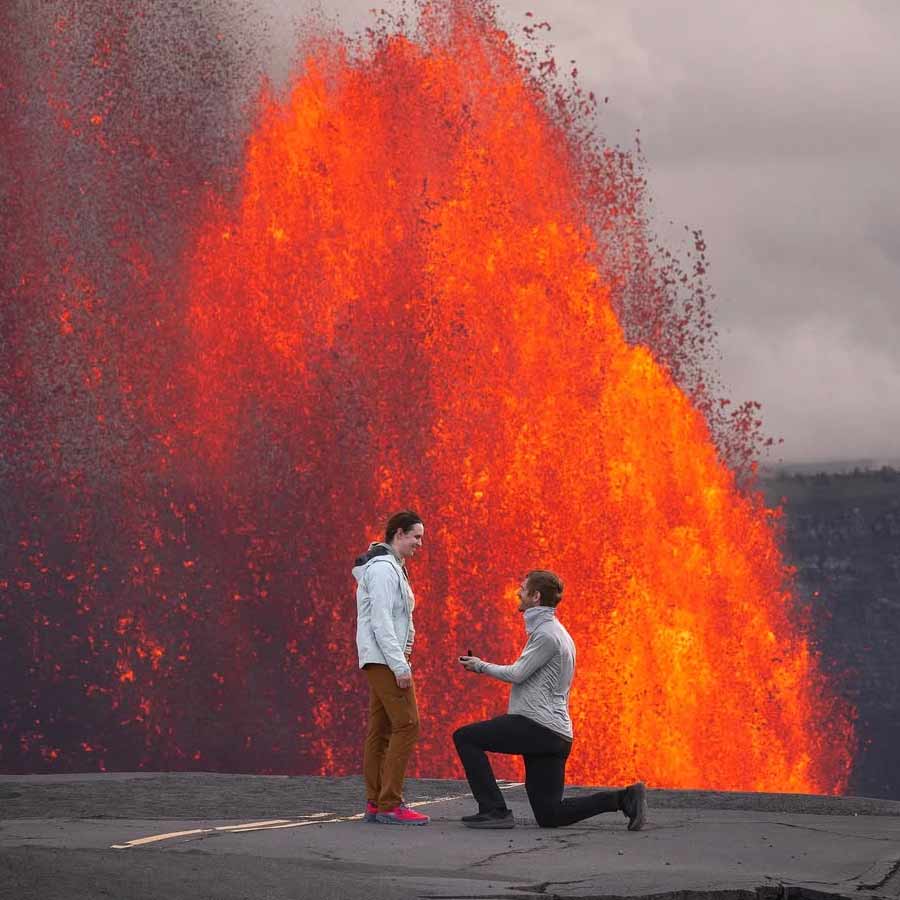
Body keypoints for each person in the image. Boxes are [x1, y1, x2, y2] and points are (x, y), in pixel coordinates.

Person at [454, 570, 647, 830]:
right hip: (556, 736)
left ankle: (494, 810)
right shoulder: (558, 633)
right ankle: (623, 798)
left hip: (536, 726)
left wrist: (479, 666)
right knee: (550, 815)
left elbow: (517, 673)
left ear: (535, 597)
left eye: (522, 589)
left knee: (465, 737)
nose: (517, 593)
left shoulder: (546, 635)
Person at [353, 510, 430, 826]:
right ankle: (389, 803)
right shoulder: (385, 570)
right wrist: (400, 665)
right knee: (407, 725)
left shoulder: (387, 568)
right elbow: (382, 620)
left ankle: (376, 802)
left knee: (381, 728)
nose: (419, 544)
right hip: (386, 659)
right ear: (399, 533)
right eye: (416, 537)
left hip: (379, 658)